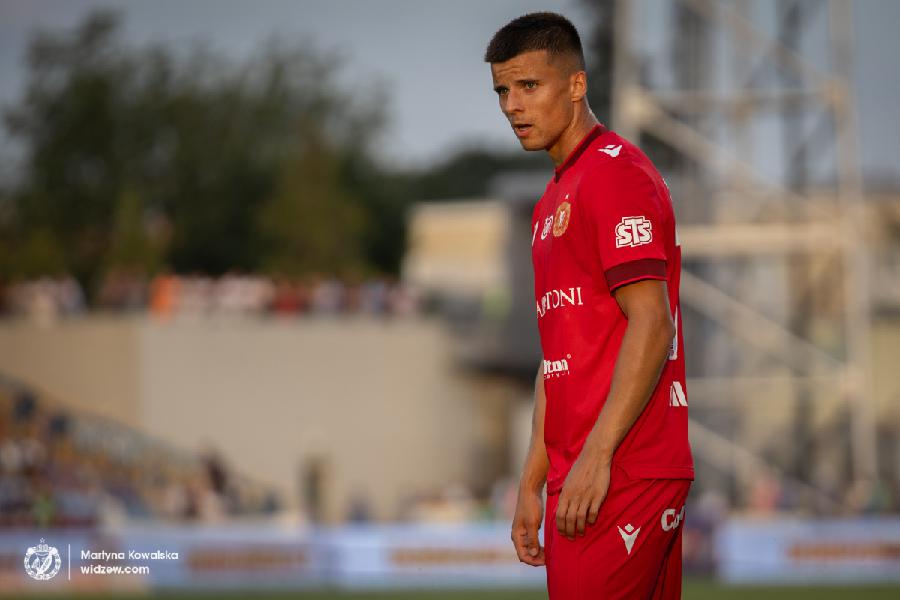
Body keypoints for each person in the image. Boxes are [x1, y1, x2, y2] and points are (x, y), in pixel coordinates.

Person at [484, 12, 694, 599]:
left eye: (529, 85)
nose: (512, 105)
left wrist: (597, 455)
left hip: (621, 468)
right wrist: (533, 477)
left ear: (577, 84)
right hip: (583, 468)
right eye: (502, 90)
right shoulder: (551, 200)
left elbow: (653, 321)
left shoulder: (615, 176)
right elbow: (558, 359)